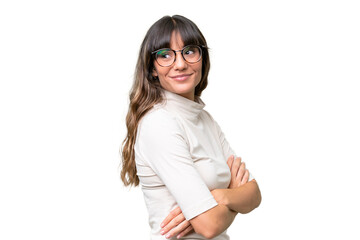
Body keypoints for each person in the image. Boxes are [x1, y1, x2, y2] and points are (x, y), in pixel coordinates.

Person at [121, 15, 261, 240]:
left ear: (202, 58)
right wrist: (234, 196)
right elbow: (209, 225)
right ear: (152, 69)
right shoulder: (160, 123)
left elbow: (254, 195)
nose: (180, 64)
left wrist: (218, 197)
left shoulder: (205, 120)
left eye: (189, 51)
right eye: (165, 55)